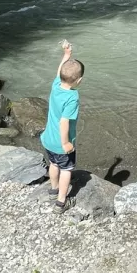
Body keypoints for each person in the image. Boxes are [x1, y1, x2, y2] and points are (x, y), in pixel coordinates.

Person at [40, 40, 84, 209]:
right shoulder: (73, 97)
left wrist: (66, 55)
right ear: (79, 80)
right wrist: (66, 143)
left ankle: (53, 189)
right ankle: (61, 202)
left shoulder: (56, 85)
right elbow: (64, 121)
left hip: (48, 139)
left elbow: (59, 72)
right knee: (66, 170)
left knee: (54, 164)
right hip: (60, 143)